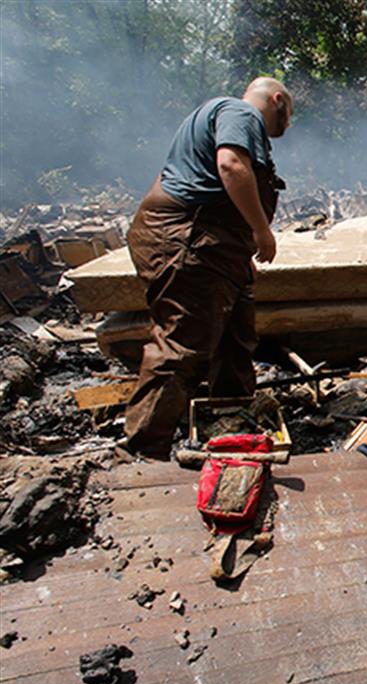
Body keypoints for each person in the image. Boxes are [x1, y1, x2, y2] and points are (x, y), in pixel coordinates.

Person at [123, 78, 293, 459]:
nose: (287, 126)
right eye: (289, 116)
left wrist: (238, 251)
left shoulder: (218, 116)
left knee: (234, 339)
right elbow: (231, 165)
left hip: (212, 248)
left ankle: (231, 429)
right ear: (277, 100)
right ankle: (141, 455)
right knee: (183, 345)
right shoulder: (240, 111)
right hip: (190, 242)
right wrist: (260, 230)